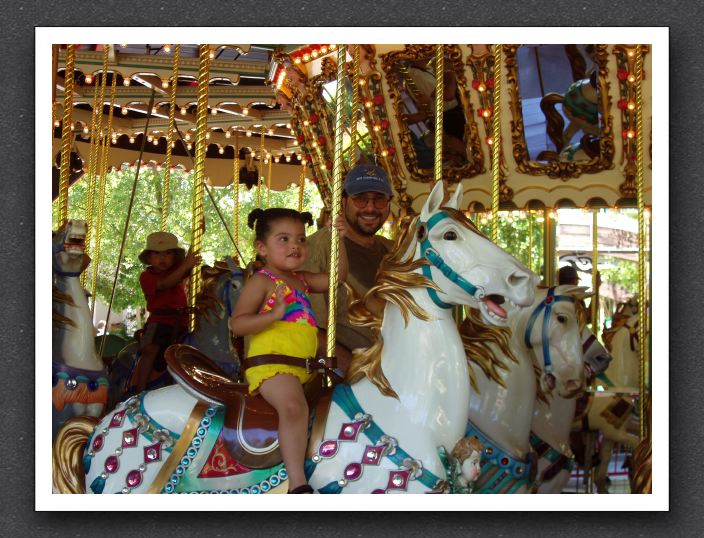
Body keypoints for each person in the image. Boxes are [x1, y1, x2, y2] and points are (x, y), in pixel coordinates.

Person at [229, 208, 348, 494]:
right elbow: (238, 324)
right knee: (294, 408)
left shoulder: (303, 280)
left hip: (303, 366)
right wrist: (273, 315)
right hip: (272, 365)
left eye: (301, 239)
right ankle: (298, 484)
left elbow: (337, 279)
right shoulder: (262, 281)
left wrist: (338, 238)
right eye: (284, 239)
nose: (295, 245)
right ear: (262, 248)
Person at [300, 164, 395, 374]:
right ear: (343, 202)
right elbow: (307, 327)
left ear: (388, 204)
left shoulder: (392, 250)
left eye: (379, 199)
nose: (370, 208)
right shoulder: (317, 250)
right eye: (360, 199)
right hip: (348, 372)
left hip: (395, 366)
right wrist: (355, 371)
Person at [135, 231, 200, 393]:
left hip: (182, 322)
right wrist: (185, 266)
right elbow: (165, 284)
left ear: (175, 257)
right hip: (159, 322)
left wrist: (198, 234)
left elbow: (190, 259)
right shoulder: (147, 276)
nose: (162, 258)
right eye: (157, 254)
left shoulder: (178, 269)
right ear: (149, 258)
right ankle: (139, 390)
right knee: (150, 350)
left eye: (168, 253)